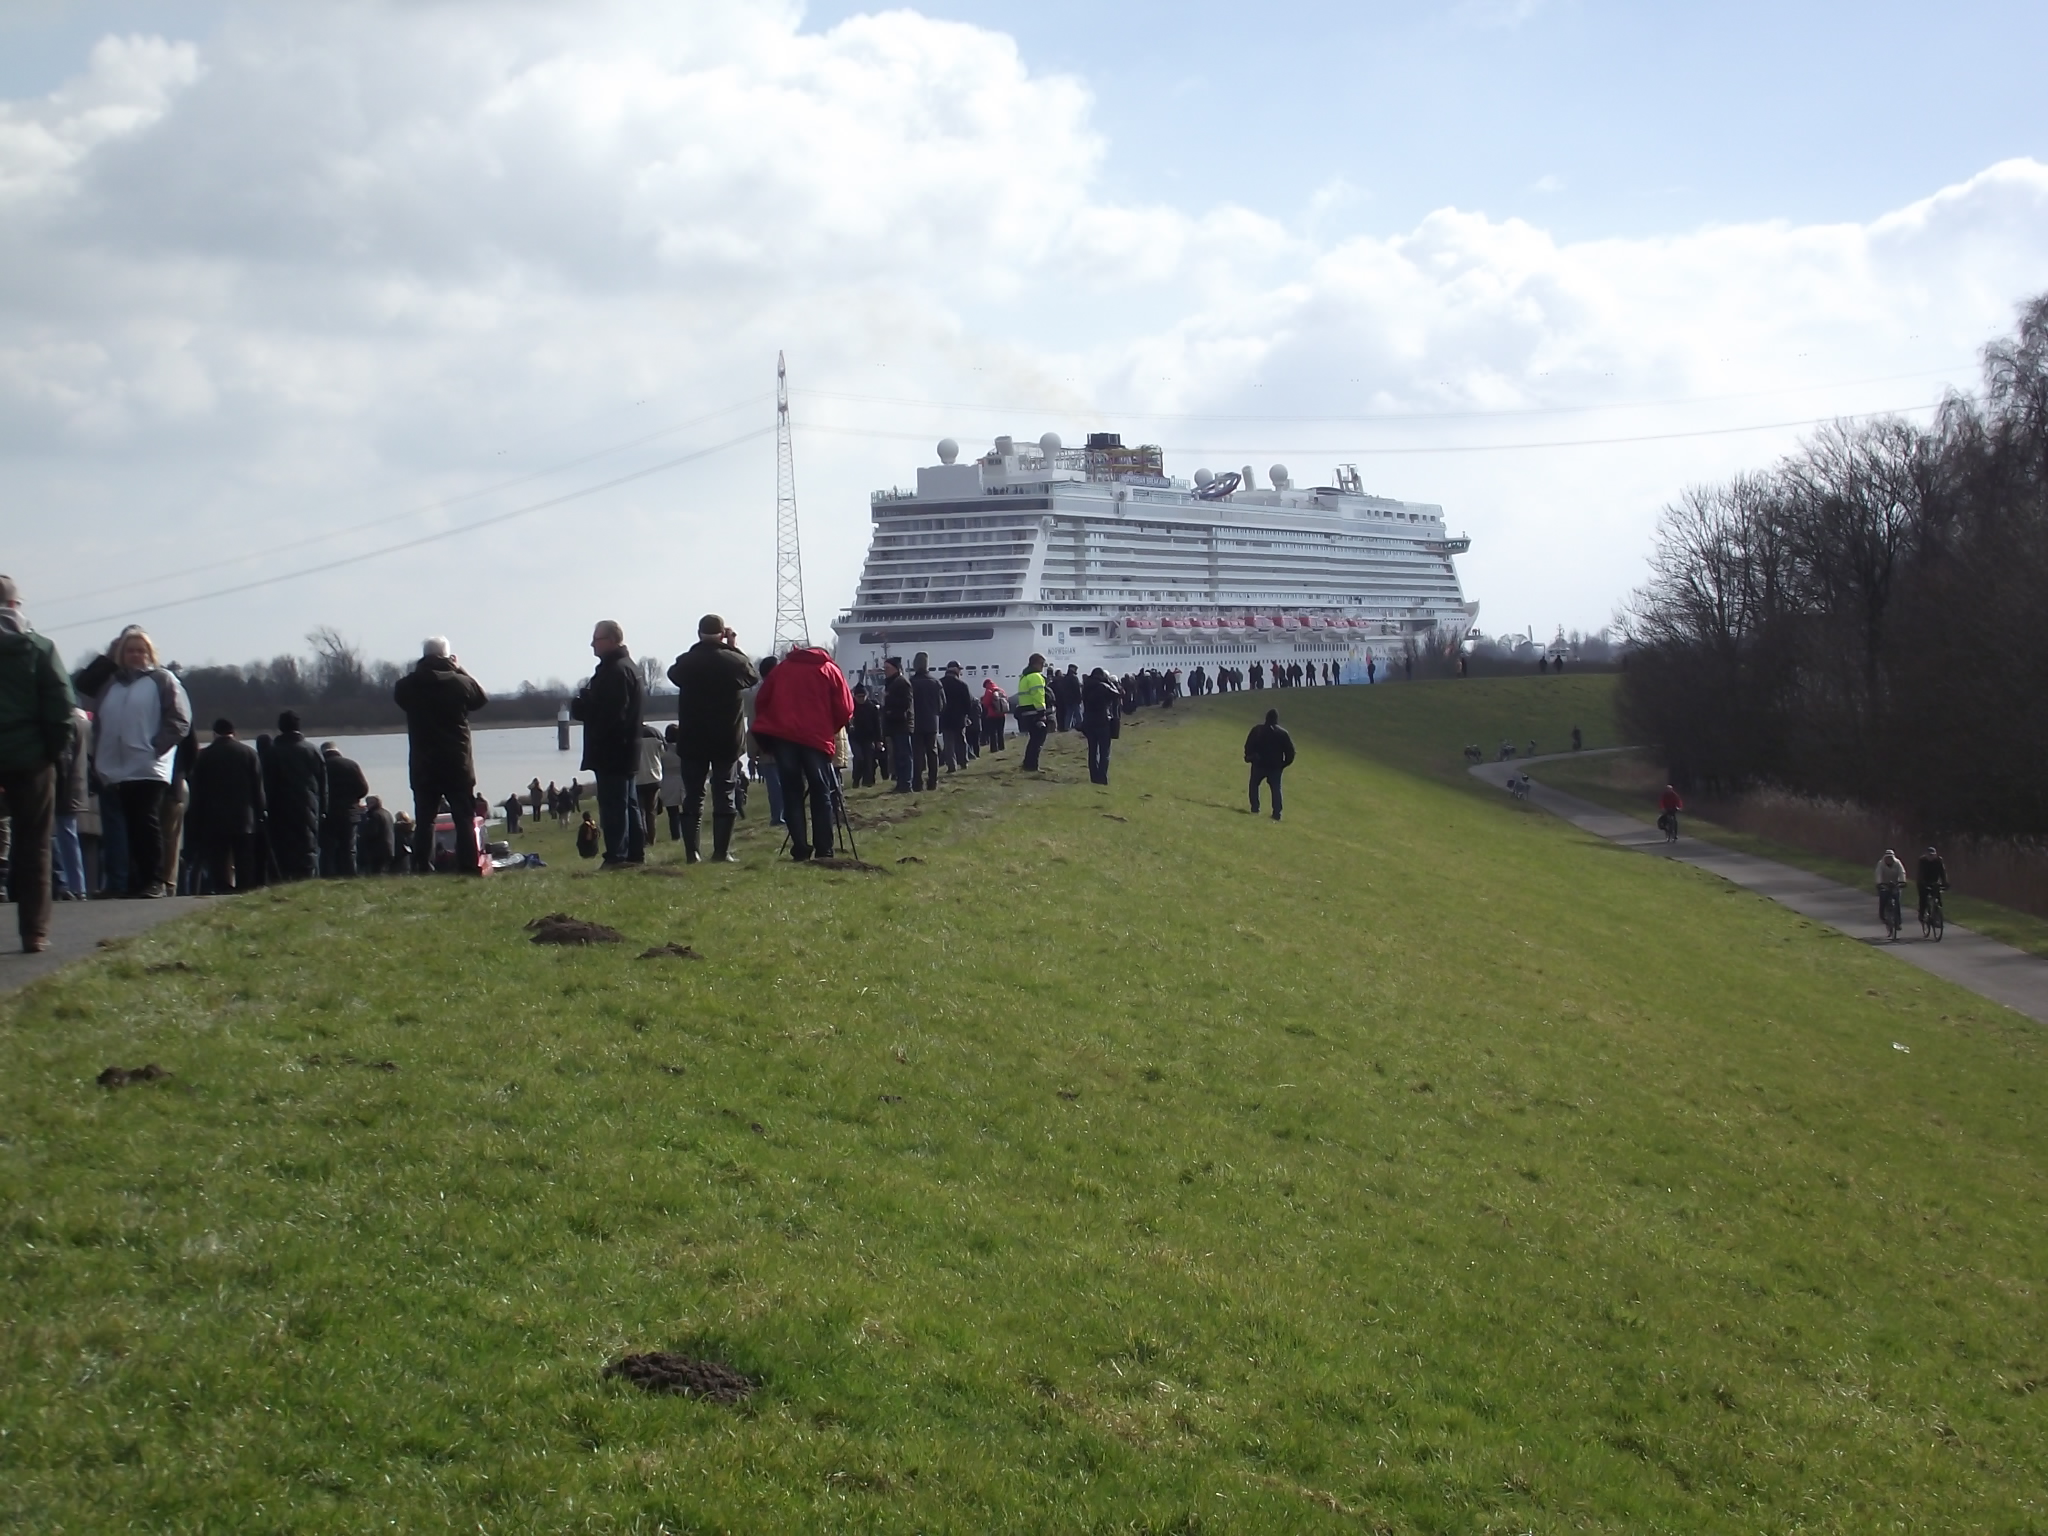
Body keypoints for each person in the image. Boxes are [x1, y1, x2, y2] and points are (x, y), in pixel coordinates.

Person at [84, 626, 192, 897]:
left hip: (147, 765)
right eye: (130, 650)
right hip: (113, 766)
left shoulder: (162, 680)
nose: (135, 655)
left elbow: (179, 720)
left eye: (140, 650)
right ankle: (128, 881)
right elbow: (85, 691)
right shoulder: (112, 683)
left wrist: (156, 748)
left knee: (145, 821)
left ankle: (153, 879)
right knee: (126, 826)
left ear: (150, 654)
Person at [0, 576, 77, 949]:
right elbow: (62, 707)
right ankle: (34, 931)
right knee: (34, 846)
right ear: (16, 606)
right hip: (31, 759)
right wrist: (52, 750)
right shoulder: (39, 648)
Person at [750, 642, 855, 861]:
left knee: (791, 792)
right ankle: (824, 848)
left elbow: (762, 702)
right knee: (821, 792)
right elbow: (846, 707)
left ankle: (800, 848)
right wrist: (829, 727)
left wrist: (772, 732)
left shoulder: (781, 670)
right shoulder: (829, 669)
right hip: (817, 739)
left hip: (784, 738)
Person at [393, 636, 488, 875]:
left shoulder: (408, 686)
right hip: (457, 762)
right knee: (463, 817)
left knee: (425, 820)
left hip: (424, 763)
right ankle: (468, 865)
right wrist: (459, 668)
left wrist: (421, 668)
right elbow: (481, 698)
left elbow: (400, 696)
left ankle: (421, 866)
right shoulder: (460, 684)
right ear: (448, 656)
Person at [667, 615, 759, 863]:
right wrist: (732, 646)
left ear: (699, 634)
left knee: (693, 796)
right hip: (726, 739)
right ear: (722, 634)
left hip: (693, 739)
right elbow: (752, 675)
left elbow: (672, 674)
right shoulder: (733, 661)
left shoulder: (687, 662)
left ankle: (692, 853)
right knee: (724, 793)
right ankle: (721, 852)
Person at [569, 619, 645, 866]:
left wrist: (583, 706)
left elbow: (611, 714)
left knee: (614, 805)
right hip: (625, 748)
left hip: (613, 749)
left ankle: (617, 856)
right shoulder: (626, 667)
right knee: (628, 803)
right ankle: (634, 853)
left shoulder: (615, 671)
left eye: (597, 639)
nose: (592, 644)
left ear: (611, 640)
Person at [188, 718, 266, 893]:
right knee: (244, 858)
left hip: (214, 817)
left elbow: (197, 790)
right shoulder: (248, 753)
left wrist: (196, 818)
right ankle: (245, 888)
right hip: (244, 816)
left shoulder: (204, 756)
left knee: (219, 859)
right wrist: (260, 810)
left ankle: (223, 889)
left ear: (214, 734)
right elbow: (257, 786)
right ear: (234, 733)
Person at [263, 711, 326, 880]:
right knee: (308, 846)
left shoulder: (273, 753)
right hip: (309, 805)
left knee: (283, 848)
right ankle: (308, 877)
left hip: (280, 807)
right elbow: (323, 782)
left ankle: (285, 879)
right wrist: (324, 808)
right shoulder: (312, 750)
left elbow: (267, 783)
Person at [52, 706, 91, 901]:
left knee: (63, 835)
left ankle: (71, 885)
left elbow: (63, 758)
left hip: (63, 785)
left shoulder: (66, 723)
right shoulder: (82, 721)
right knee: (68, 834)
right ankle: (76, 886)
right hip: (76, 785)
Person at [319, 740, 369, 878]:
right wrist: (353, 799)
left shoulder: (320, 766)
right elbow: (363, 789)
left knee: (327, 848)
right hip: (349, 812)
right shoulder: (351, 765)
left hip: (328, 812)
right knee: (349, 847)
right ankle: (350, 874)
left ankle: (327, 875)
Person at [1244, 707, 1296, 821]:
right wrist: (1283, 764)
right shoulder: (1283, 733)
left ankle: (1255, 808)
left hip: (1259, 764)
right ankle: (1277, 813)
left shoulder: (1257, 730)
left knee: (1254, 785)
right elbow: (1291, 752)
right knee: (1276, 789)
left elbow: (1248, 745)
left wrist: (1249, 757)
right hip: (1275, 766)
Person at [1080, 666, 1121, 786]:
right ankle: (1102, 777)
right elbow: (1117, 694)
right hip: (1102, 721)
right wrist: (1109, 682)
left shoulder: (1086, 686)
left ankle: (1094, 777)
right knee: (1104, 751)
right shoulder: (1104, 686)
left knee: (1092, 751)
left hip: (1088, 721)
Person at [909, 652, 943, 791]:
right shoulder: (936, 682)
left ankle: (917, 782)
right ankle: (932, 782)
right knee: (932, 752)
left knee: (917, 753)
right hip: (931, 722)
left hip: (916, 722)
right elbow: (942, 704)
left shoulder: (911, 683)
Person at [881, 656, 914, 793]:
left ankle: (906, 784)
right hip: (894, 725)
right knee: (897, 755)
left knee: (904, 755)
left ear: (896, 668)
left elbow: (905, 704)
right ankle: (901, 782)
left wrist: (889, 712)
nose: (885, 671)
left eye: (887, 668)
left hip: (901, 724)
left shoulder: (902, 683)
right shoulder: (892, 682)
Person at [1016, 653, 1051, 771]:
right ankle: (1032, 766)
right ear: (1036, 663)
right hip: (1034, 711)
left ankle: (1027, 763)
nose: (1043, 667)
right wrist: (1042, 712)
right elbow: (1038, 695)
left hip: (1026, 711)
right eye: (1042, 664)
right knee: (1038, 739)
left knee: (1033, 739)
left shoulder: (1024, 676)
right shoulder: (1035, 676)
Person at [633, 722, 664, 845]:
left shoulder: (632, 733)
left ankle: (641, 838)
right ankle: (652, 838)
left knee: (639, 811)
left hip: (637, 778)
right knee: (651, 811)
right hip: (654, 777)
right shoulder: (655, 733)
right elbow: (663, 752)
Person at [939, 661, 973, 773]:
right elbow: (968, 703)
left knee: (948, 743)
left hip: (945, 718)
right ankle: (963, 762)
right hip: (959, 718)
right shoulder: (962, 685)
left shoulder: (940, 684)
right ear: (956, 670)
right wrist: (967, 715)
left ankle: (951, 765)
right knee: (961, 741)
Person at [848, 683, 882, 788]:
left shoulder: (871, 707)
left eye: (863, 696)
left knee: (869, 759)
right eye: (859, 697)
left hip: (868, 737)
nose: (861, 699)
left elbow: (877, 725)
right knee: (858, 758)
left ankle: (868, 781)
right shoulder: (851, 707)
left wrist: (878, 740)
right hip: (855, 737)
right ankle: (856, 779)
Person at [360, 796, 396, 875]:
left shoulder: (374, 815)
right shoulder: (387, 813)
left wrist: (361, 835)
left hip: (377, 850)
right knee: (383, 872)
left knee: (375, 873)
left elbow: (372, 832)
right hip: (388, 847)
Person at [1876, 848, 1908, 933]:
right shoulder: (1881, 864)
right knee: (1883, 899)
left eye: (1890, 857)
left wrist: (1903, 881)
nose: (1889, 859)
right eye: (1887, 857)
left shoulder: (1898, 863)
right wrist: (1879, 883)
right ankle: (1882, 916)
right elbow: (1878, 874)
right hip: (1885, 884)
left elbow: (1902, 872)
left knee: (1897, 902)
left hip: (1895, 884)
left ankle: (1898, 922)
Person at [1916, 846, 1948, 927]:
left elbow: (1943, 872)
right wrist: (1922, 882)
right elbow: (1920, 873)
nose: (1931, 857)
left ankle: (1936, 917)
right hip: (1923, 881)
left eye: (1932, 855)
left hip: (1934, 881)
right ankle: (1922, 915)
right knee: (1923, 898)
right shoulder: (1922, 861)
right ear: (1926, 855)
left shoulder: (1939, 861)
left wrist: (1945, 883)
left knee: (1938, 898)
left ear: (1935, 855)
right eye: (1929, 855)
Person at [981, 677, 1008, 751]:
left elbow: (986, 703)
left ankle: (994, 748)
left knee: (993, 732)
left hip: (992, 715)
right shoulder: (1001, 690)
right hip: (1002, 714)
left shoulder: (989, 691)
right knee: (1000, 731)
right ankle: (1001, 747)